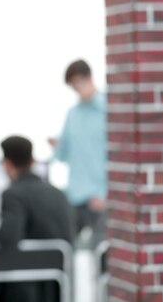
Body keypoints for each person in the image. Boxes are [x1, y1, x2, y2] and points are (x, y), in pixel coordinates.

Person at [0, 135, 75, 302]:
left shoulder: (13, 194)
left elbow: (8, 237)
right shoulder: (59, 194)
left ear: (7, 164)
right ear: (32, 160)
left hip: (20, 287)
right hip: (56, 288)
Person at [49, 59, 107, 247]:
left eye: (78, 83)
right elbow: (63, 156)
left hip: (101, 196)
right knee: (68, 247)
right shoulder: (72, 114)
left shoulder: (108, 109)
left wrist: (106, 195)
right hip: (76, 196)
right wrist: (56, 146)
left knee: (101, 252)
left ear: (89, 77)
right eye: (72, 86)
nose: (77, 89)